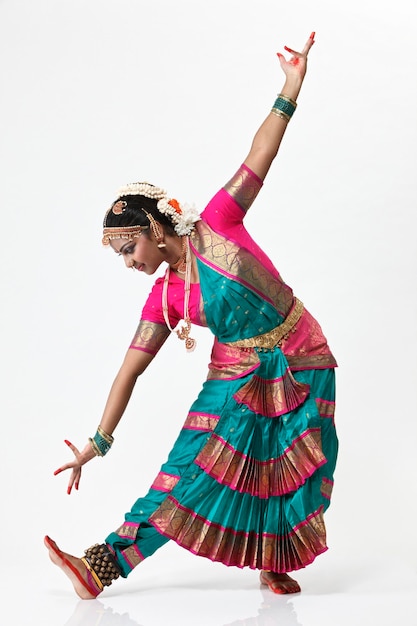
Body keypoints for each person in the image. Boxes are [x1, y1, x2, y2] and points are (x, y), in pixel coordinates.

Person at [45, 32, 338, 598]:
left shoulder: (220, 222)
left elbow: (261, 154)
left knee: (294, 463)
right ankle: (101, 565)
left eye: (129, 250)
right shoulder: (164, 297)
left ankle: (275, 561)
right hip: (236, 373)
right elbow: (129, 372)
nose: (131, 264)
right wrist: (96, 443)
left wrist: (291, 87)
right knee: (188, 470)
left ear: (154, 229)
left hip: (302, 351)